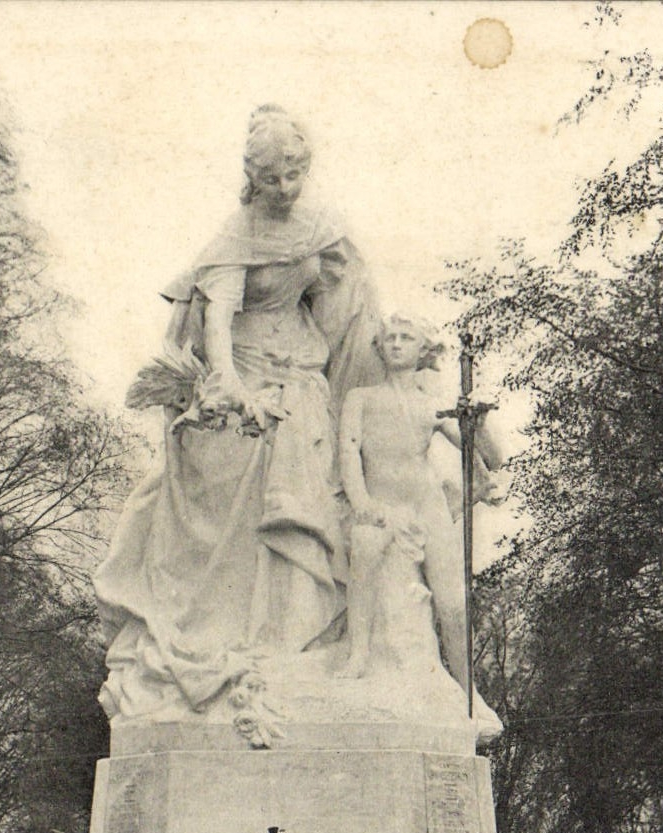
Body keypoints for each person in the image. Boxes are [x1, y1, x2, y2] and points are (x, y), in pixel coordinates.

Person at [94, 106, 381, 723]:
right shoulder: (234, 237)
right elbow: (217, 322)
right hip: (246, 374)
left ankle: (294, 643)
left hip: (304, 375)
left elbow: (346, 309)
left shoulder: (322, 228)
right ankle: (236, 641)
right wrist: (226, 382)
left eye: (295, 174)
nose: (286, 188)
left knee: (308, 495)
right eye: (275, 177)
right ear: (254, 176)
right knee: (249, 489)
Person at [338, 313, 503, 686]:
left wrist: (478, 423)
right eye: (390, 337)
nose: (396, 344)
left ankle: (468, 691)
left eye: (406, 338)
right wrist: (361, 500)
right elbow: (348, 453)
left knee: (453, 604)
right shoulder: (361, 398)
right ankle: (357, 654)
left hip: (426, 507)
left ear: (422, 349)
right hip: (380, 503)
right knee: (363, 551)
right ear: (380, 348)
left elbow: (491, 458)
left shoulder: (431, 404)